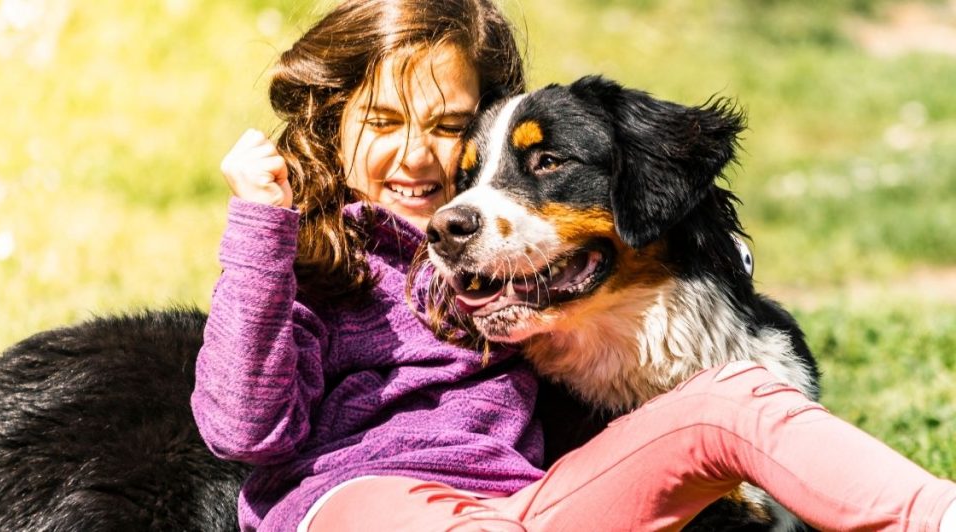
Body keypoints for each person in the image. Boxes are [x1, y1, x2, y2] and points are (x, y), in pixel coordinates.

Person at [191, 0, 956, 530]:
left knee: (735, 398)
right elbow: (241, 430)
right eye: (385, 123)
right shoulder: (305, 266)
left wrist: (710, 262)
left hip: (537, 504)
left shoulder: (494, 266)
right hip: (365, 502)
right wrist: (262, 230)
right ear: (331, 125)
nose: (420, 155)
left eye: (451, 130)